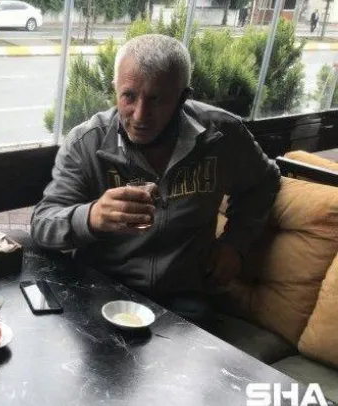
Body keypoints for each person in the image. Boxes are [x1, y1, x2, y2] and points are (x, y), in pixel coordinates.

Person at [30, 34, 280, 325]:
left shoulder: (223, 135)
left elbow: (264, 182)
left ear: (183, 97)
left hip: (183, 297)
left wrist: (235, 243)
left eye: (156, 99)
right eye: (129, 96)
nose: (140, 115)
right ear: (114, 90)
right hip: (102, 288)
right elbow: (42, 224)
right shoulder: (86, 142)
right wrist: (91, 217)